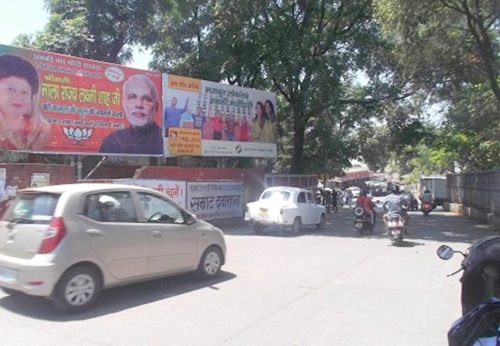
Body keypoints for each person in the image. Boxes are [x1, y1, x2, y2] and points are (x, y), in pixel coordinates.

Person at [99, 74, 163, 154]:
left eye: (146, 99)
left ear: (156, 107)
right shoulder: (111, 141)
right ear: (124, 104)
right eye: (132, 97)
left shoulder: (165, 140)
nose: (139, 105)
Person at [0, 54, 51, 150]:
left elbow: (34, 161)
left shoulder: (40, 129)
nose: (18, 97)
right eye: (11, 89)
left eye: (24, 92)